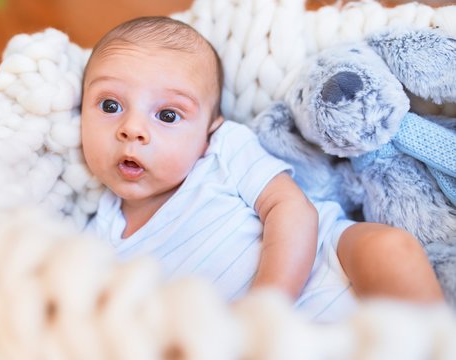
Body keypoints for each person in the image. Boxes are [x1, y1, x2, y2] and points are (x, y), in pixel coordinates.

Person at [80, 16, 444, 321]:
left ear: (210, 129)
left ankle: (436, 346)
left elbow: (290, 209)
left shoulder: (224, 150)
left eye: (168, 115)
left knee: (387, 248)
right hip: (262, 346)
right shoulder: (96, 241)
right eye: (110, 105)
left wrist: (267, 303)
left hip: (329, 264)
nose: (132, 128)